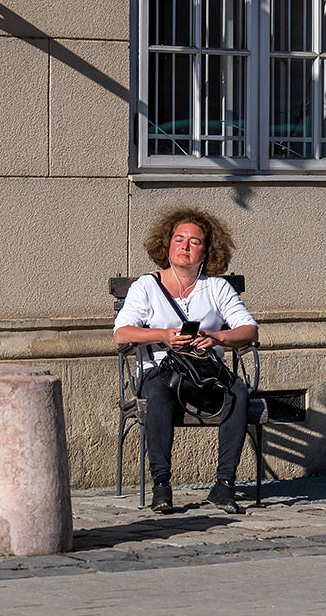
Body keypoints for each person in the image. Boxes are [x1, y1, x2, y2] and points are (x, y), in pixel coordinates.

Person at [114, 206, 258, 515]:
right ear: (166, 245)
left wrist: (217, 337)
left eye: (194, 241)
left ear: (206, 251)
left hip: (206, 376)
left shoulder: (217, 287)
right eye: (179, 239)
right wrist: (163, 335)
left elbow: (249, 329)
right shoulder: (146, 287)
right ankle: (162, 486)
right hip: (160, 373)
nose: (185, 246)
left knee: (239, 392)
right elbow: (121, 334)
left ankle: (223, 486)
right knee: (156, 393)